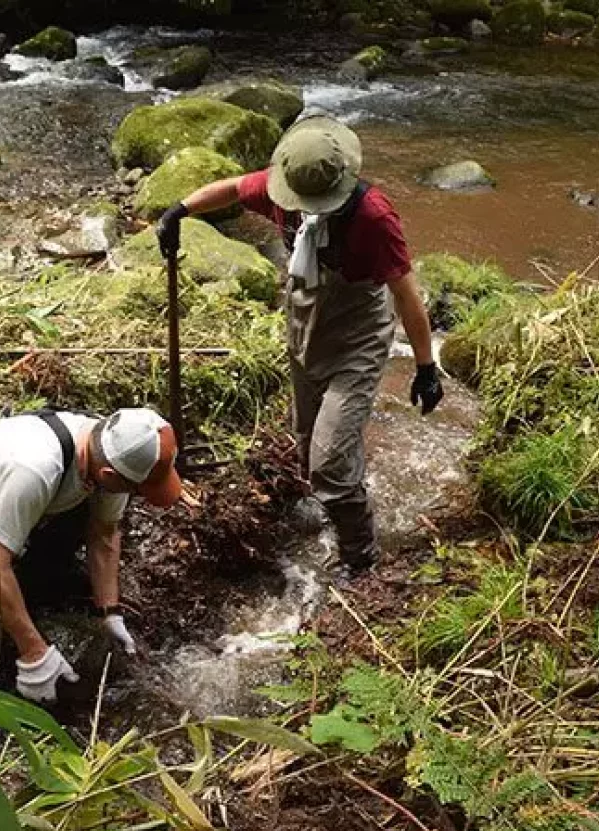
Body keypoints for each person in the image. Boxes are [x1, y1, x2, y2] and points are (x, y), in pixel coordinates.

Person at [156, 115, 443, 576]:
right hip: (304, 328)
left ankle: (360, 557)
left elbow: (406, 294)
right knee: (309, 441)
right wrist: (179, 211)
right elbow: (231, 188)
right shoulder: (279, 192)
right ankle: (341, 490)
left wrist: (426, 367)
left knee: (328, 462)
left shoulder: (373, 217)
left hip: (357, 339)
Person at [0, 407, 182, 702]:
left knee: (81, 517)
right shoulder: (37, 468)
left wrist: (109, 612)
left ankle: (34, 587)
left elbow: (104, 533)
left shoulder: (112, 452)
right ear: (109, 474)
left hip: (26, 500)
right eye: (138, 490)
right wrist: (33, 653)